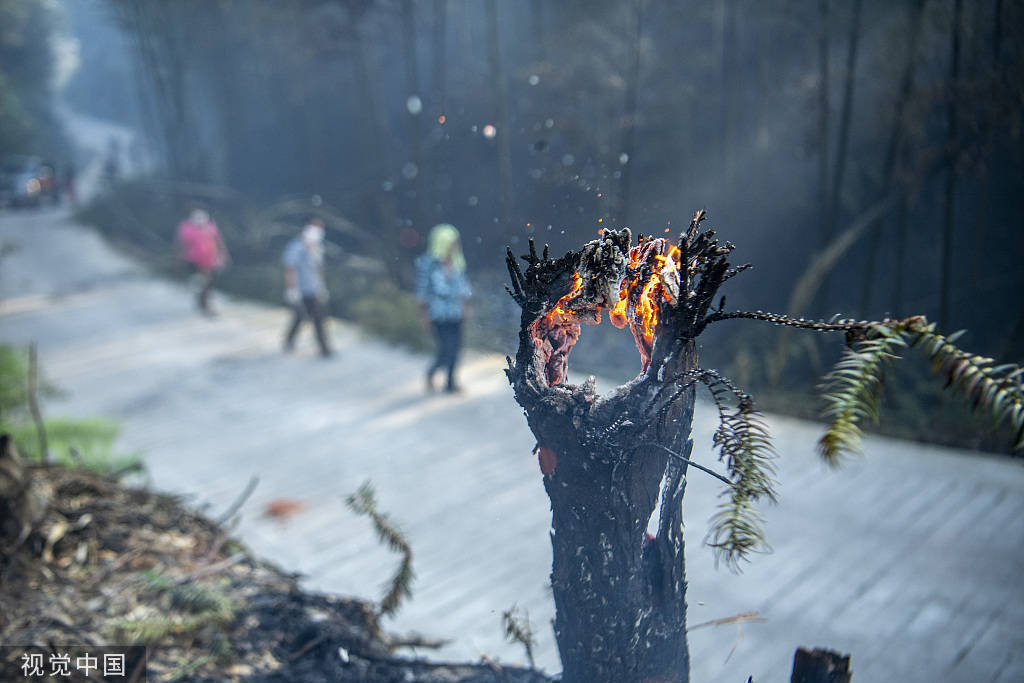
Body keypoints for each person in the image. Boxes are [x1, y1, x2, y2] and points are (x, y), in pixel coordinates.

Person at [415, 224, 471, 393]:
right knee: (446, 348)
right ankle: (433, 372)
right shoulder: (428, 263)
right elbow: (422, 290)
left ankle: (450, 382)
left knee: (456, 348)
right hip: (438, 314)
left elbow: (464, 288)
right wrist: (423, 315)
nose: (454, 245)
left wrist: (466, 308)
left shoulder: (457, 262)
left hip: (456, 313)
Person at [282, 218, 334, 357]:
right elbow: (290, 268)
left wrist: (322, 287)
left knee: (318, 318)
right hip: (301, 289)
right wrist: (292, 289)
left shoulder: (318, 247)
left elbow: (319, 269)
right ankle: (289, 341)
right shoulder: (296, 246)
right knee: (299, 317)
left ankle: (324, 348)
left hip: (314, 290)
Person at [176, 208, 229, 314]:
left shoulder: (211, 228)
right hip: (194, 260)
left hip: (209, 259)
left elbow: (218, 242)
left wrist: (224, 254)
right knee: (202, 282)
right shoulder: (187, 230)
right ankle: (203, 303)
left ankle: (205, 303)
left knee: (206, 283)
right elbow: (183, 245)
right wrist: (181, 257)